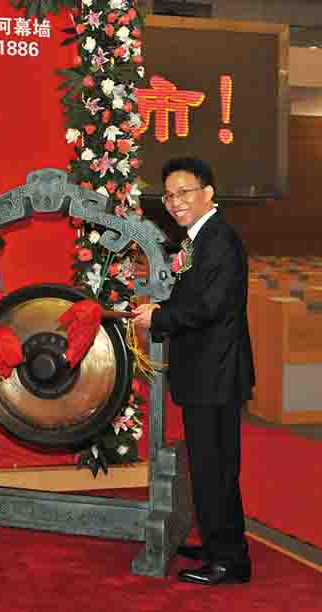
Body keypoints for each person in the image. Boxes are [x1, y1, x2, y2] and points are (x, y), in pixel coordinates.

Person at [133, 157, 254, 586]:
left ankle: (230, 561)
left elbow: (211, 306)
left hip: (215, 373)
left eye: (184, 192)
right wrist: (162, 307)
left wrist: (160, 317)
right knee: (208, 465)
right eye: (169, 195)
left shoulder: (218, 239)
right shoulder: (198, 239)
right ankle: (219, 544)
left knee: (214, 468)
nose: (175, 202)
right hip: (206, 371)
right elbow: (196, 297)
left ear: (208, 193)